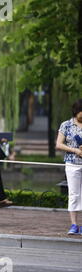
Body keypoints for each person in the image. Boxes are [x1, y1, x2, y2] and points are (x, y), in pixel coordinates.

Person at [56, 99, 82, 235]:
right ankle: (74, 224)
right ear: (76, 111)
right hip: (72, 164)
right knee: (73, 194)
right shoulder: (66, 125)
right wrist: (75, 150)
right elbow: (59, 144)